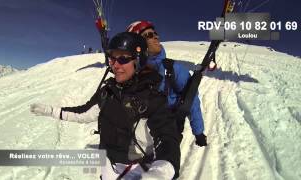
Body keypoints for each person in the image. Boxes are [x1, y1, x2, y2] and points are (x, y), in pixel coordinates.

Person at [30, 32, 181, 179]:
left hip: (136, 169)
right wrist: (51, 111)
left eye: (122, 58)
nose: (115, 65)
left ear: (138, 60)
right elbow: (84, 113)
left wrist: (162, 171)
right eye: (112, 58)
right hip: (107, 164)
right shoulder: (107, 92)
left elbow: (167, 138)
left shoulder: (152, 98)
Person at [126, 21, 207, 146]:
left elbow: (191, 99)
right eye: (149, 35)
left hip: (167, 132)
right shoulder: (130, 72)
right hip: (137, 138)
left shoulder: (172, 69)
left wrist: (199, 132)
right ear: (137, 44)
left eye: (155, 34)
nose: (156, 37)